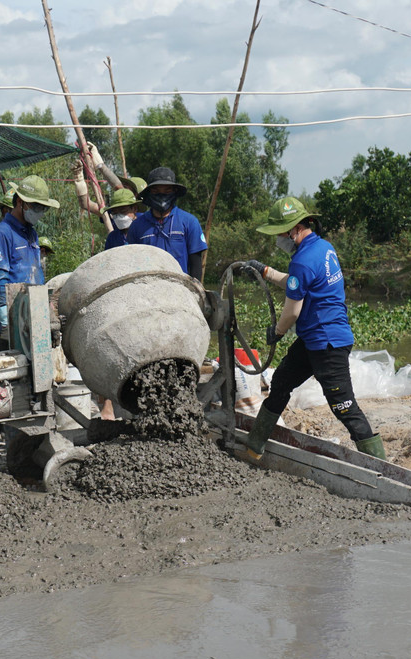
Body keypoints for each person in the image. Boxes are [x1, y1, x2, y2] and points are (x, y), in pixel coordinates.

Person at [240, 196, 385, 461]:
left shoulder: (303, 260)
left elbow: (292, 311)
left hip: (327, 343)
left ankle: (381, 467)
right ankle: (254, 447)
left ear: (295, 229)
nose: (278, 239)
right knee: (281, 383)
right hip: (312, 340)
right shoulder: (323, 248)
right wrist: (265, 271)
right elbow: (298, 282)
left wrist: (277, 332)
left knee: (344, 406)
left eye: (280, 233)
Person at [0, 175, 58, 355]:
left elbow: (36, 275)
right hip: (1, 317)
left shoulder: (31, 234)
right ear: (21, 202)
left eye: (43, 208)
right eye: (36, 206)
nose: (40, 212)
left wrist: (47, 311)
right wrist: (6, 322)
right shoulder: (2, 234)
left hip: (24, 315)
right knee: (8, 368)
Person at [125, 167, 208, 279]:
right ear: (149, 193)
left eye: (167, 191)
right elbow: (132, 263)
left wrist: (196, 287)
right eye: (156, 191)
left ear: (175, 192)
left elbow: (196, 265)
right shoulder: (137, 226)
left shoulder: (189, 222)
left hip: (180, 286)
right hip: (147, 286)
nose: (161, 195)